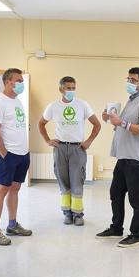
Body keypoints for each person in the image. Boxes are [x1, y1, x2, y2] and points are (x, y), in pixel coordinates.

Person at [96, 67, 139, 248]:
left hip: (136, 160)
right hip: (124, 157)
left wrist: (121, 122)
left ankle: (137, 234)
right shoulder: (131, 101)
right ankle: (116, 227)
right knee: (116, 193)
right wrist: (111, 119)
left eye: (133, 80)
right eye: (128, 79)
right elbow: (125, 127)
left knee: (136, 199)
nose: (129, 82)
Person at [39, 76, 101, 226]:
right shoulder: (53, 106)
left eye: (73, 88)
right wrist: (47, 140)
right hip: (60, 148)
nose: (71, 91)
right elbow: (41, 124)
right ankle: (67, 213)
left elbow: (97, 125)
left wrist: (89, 141)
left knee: (77, 181)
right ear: (61, 89)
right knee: (63, 181)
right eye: (68, 88)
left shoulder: (82, 105)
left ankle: (78, 214)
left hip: (77, 148)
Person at [0, 68, 33, 246]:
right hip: (8, 155)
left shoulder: (17, 101)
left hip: (22, 154)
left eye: (22, 80)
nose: (21, 83)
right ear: (8, 82)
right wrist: (5, 155)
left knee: (15, 189)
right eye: (18, 80)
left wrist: (23, 152)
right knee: (1, 190)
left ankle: (12, 225)